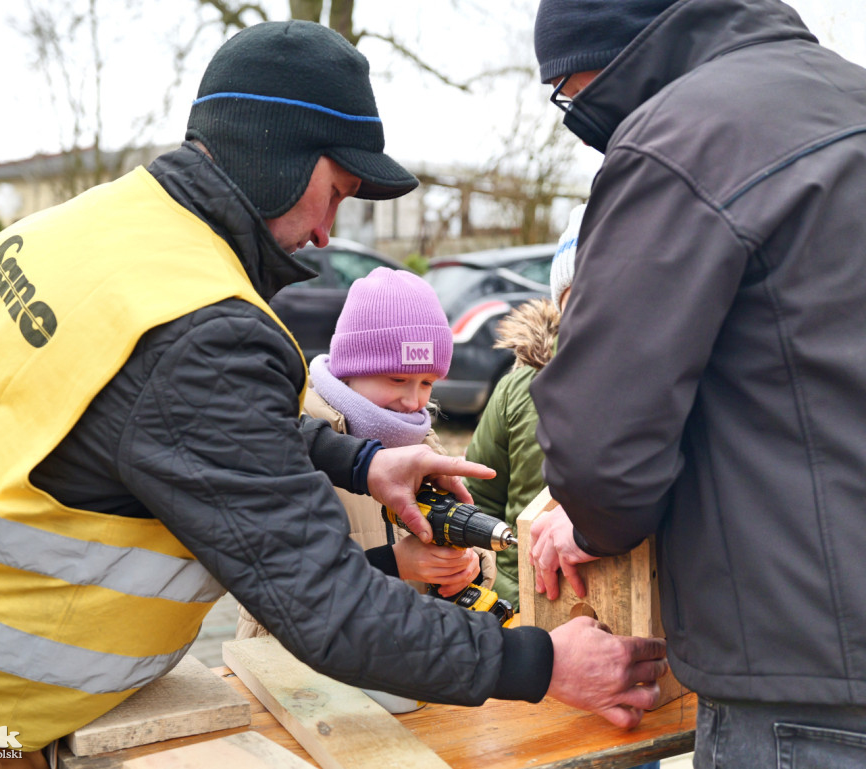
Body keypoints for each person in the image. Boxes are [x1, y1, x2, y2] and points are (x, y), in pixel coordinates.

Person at [0, 20, 667, 769]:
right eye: (337, 193)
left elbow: (141, 421)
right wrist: (544, 663)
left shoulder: (84, 230)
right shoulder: (203, 328)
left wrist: (361, 461)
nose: (327, 234)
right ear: (277, 151)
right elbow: (332, 611)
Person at [530, 0, 866, 766]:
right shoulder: (851, 98)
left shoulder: (678, 140)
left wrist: (590, 525)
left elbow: (601, 446)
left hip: (807, 686)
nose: (571, 108)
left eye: (564, 87)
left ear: (607, 55)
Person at [237, 267, 496, 643]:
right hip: (297, 674)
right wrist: (396, 565)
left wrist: (466, 568)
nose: (413, 401)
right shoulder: (295, 439)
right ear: (349, 370)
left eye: (427, 383)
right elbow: (272, 589)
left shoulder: (422, 442)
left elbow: (468, 552)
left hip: (402, 666)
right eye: (397, 380)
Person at [463, 204, 584, 608]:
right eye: (575, 303)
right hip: (529, 602)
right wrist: (502, 595)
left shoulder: (665, 392)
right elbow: (479, 499)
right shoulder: (519, 390)